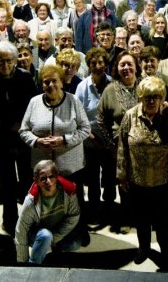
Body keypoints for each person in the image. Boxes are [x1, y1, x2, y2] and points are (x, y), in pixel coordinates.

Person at [20, 63, 90, 244]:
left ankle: (79, 232)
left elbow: (85, 129)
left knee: (74, 201)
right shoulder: (34, 102)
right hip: (43, 166)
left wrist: (64, 140)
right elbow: (23, 130)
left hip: (70, 165)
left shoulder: (73, 101)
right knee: (47, 204)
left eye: (54, 81)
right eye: (46, 82)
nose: (50, 85)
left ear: (61, 82)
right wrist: (37, 141)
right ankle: (49, 237)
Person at [117, 77, 168, 265]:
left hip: (163, 180)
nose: (151, 101)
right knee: (142, 219)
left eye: (156, 97)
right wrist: (122, 175)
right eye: (147, 97)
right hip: (138, 180)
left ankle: (165, 249)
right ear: (140, 97)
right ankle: (144, 249)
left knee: (163, 221)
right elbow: (122, 146)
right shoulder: (130, 116)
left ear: (162, 98)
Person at [0, 42, 38, 235]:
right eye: (0, 61)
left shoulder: (25, 77)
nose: (5, 65)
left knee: (28, 181)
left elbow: (34, 104)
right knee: (7, 183)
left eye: (8, 60)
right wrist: (6, 125)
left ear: (14, 60)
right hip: (2, 139)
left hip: (23, 137)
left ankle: (29, 220)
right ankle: (10, 220)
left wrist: (22, 124)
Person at [96, 51, 142, 233]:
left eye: (130, 64)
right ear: (117, 68)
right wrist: (110, 144)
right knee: (124, 183)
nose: (126, 68)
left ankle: (143, 217)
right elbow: (100, 119)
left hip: (144, 146)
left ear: (136, 67)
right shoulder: (110, 90)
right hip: (120, 146)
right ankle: (126, 217)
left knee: (142, 183)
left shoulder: (146, 85)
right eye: (122, 64)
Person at [15, 160, 81, 264]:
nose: (48, 181)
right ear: (36, 180)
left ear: (57, 176)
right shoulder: (31, 200)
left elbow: (74, 216)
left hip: (57, 232)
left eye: (51, 177)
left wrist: (54, 238)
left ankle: (53, 250)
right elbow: (21, 230)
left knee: (74, 243)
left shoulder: (68, 191)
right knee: (45, 235)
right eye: (43, 178)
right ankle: (34, 263)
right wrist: (23, 264)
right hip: (38, 235)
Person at [74, 47, 111, 224]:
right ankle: (94, 208)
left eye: (100, 62)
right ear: (88, 65)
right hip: (89, 137)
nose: (97, 66)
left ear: (105, 64)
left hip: (108, 136)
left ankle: (109, 207)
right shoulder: (82, 87)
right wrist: (87, 132)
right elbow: (77, 113)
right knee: (93, 176)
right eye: (93, 63)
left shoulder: (112, 84)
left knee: (109, 175)